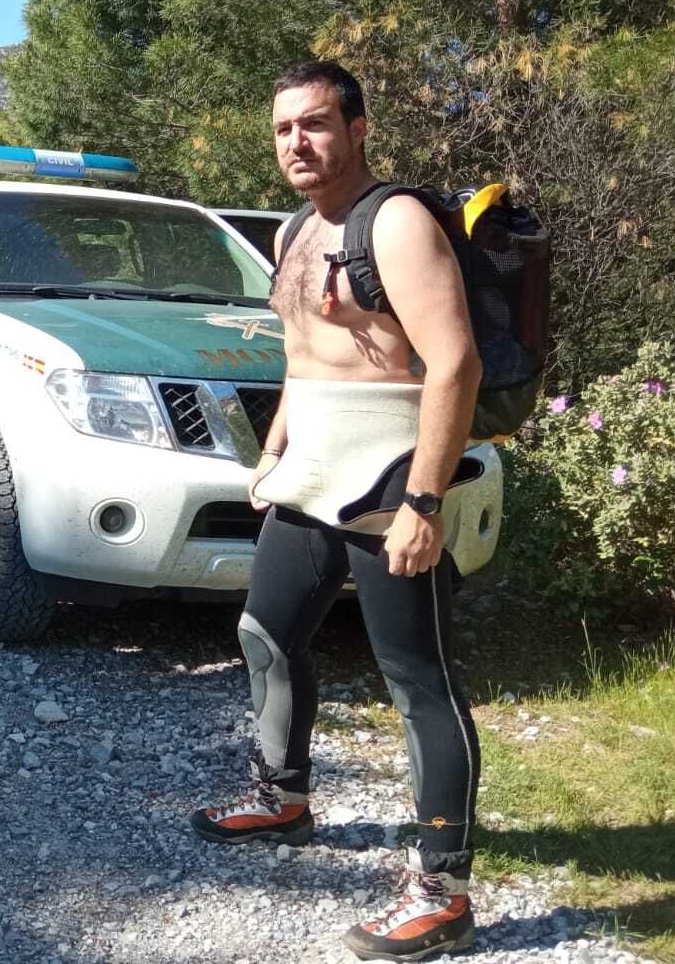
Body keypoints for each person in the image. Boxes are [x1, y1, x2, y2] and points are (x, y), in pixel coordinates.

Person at [189, 61, 483, 963]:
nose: (297, 144)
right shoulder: (294, 230)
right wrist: (277, 442)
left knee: (416, 680)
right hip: (311, 471)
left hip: (391, 476)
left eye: (314, 124)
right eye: (283, 130)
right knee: (266, 633)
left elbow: (456, 364)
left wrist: (425, 501)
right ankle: (281, 793)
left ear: (358, 128)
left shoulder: (395, 222)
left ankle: (444, 886)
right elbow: (303, 352)